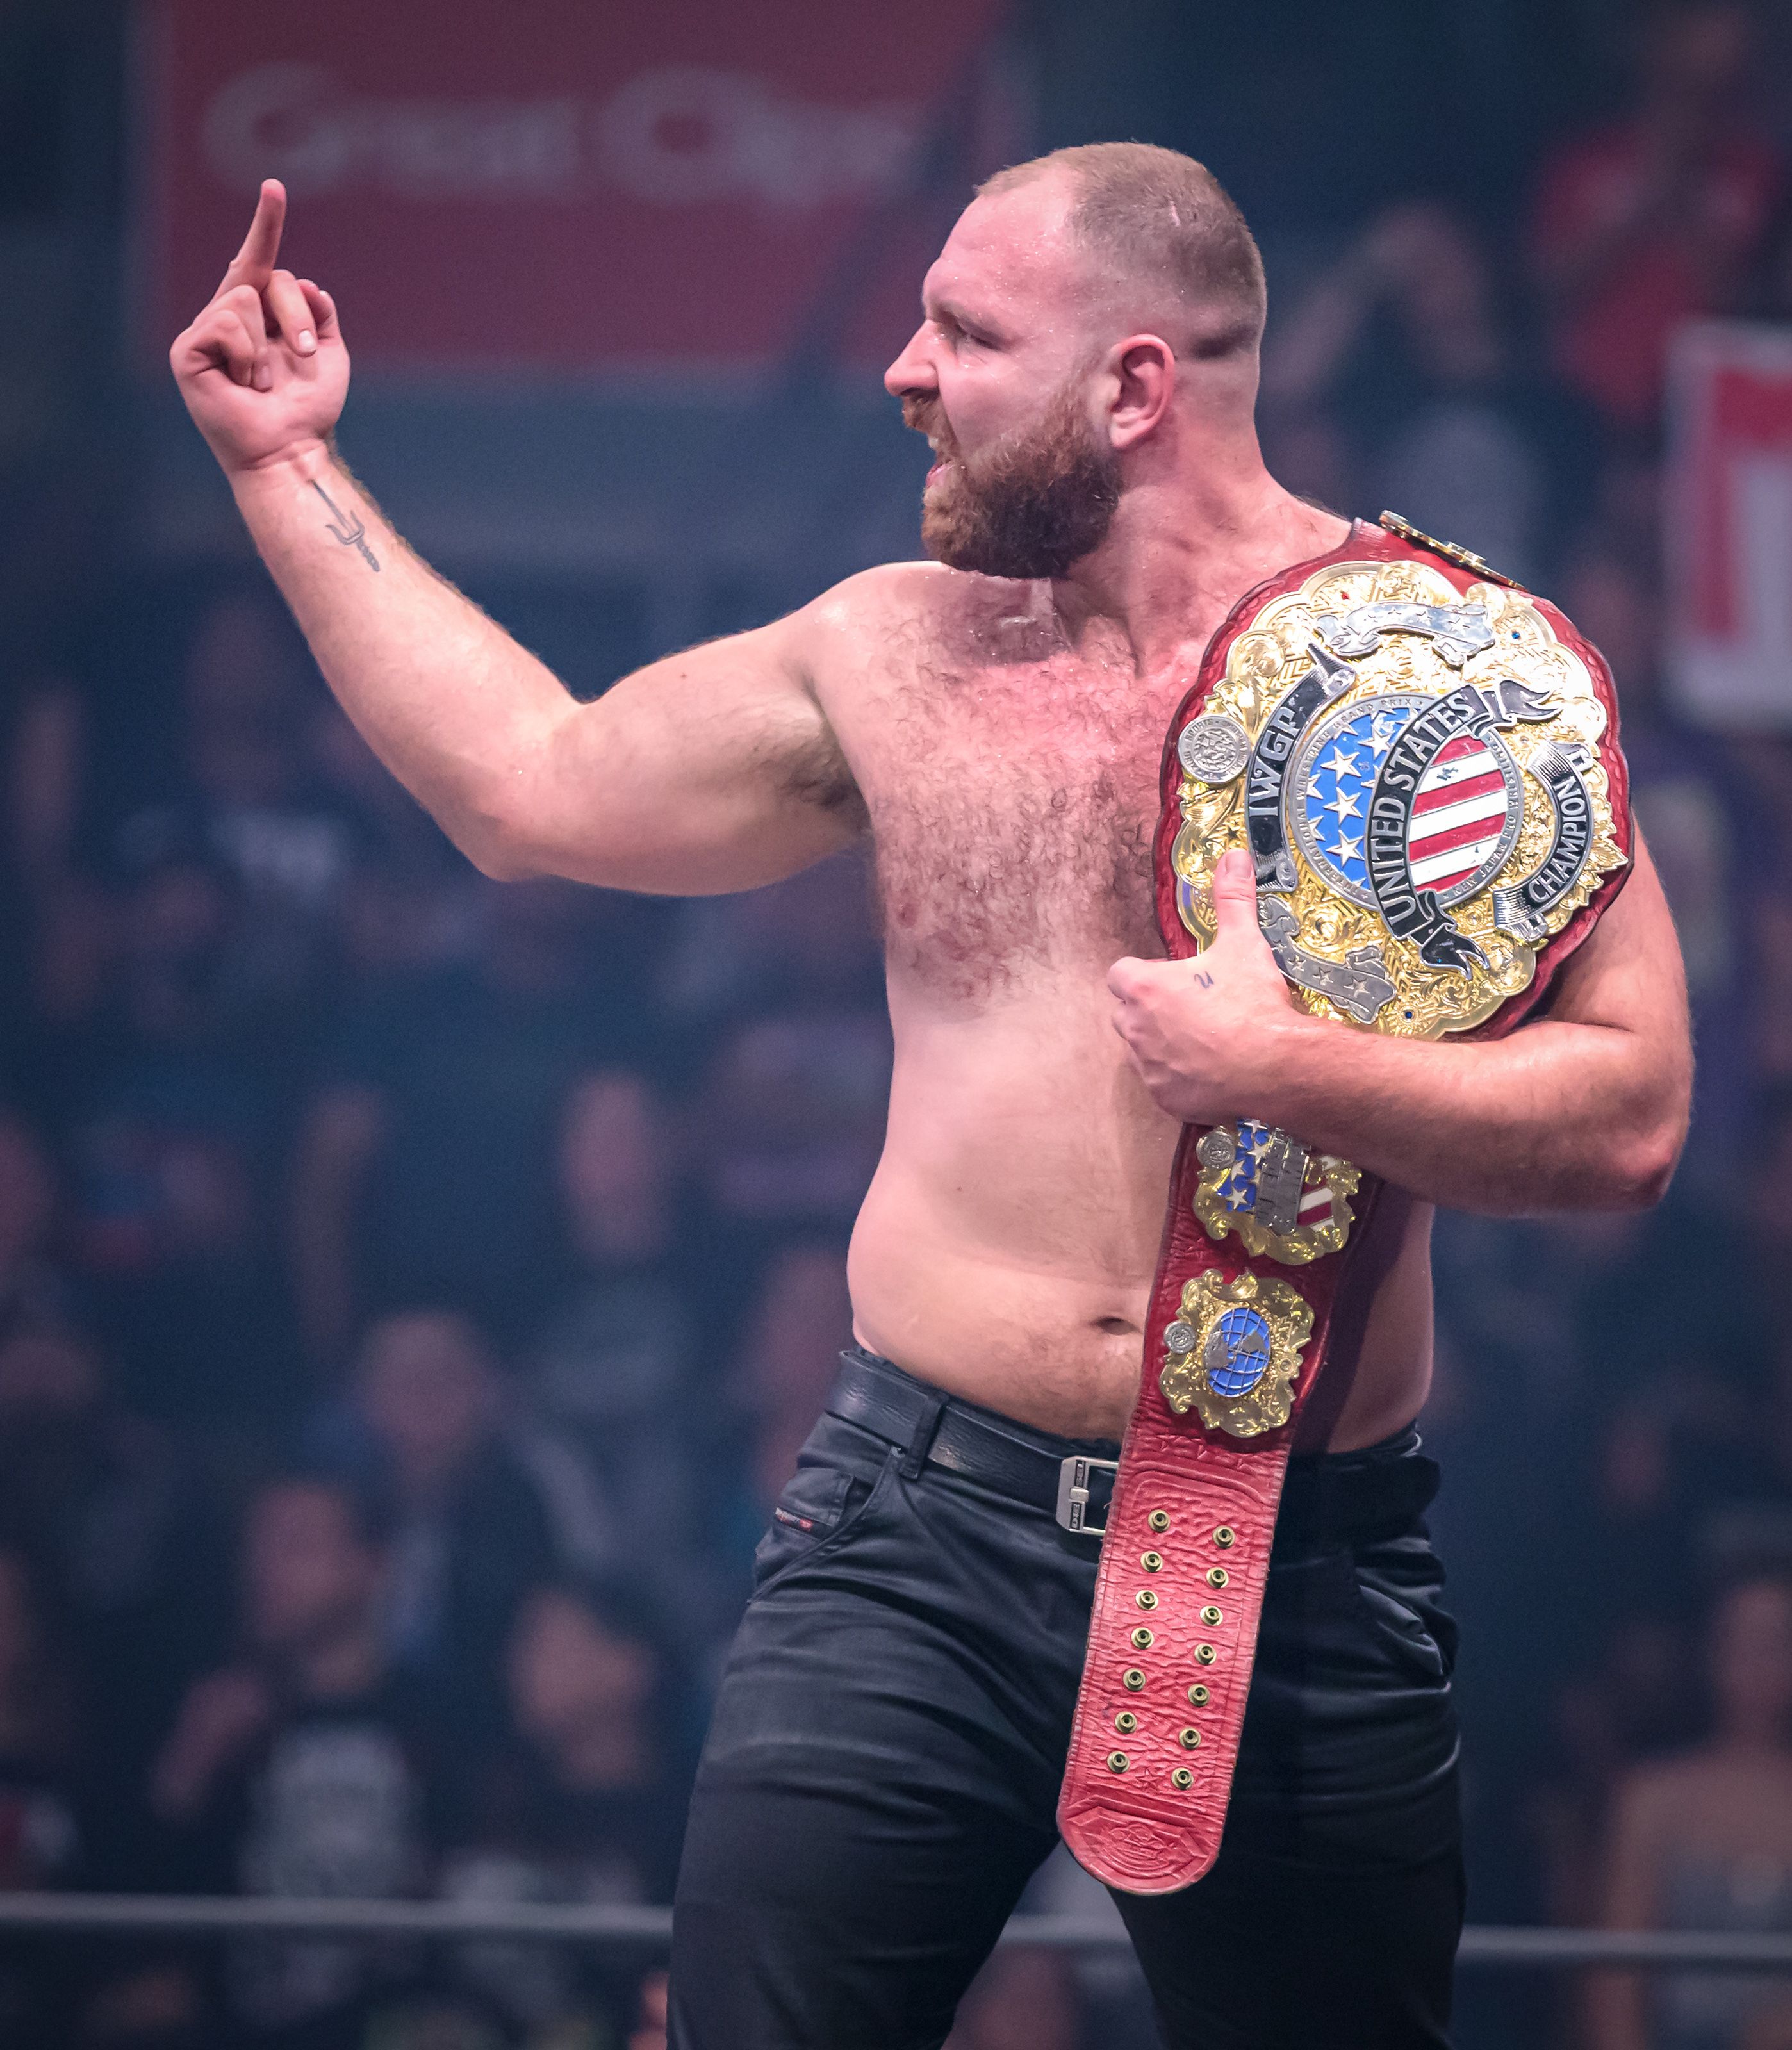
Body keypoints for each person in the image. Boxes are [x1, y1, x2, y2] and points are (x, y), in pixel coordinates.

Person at [170, 142, 1691, 2049]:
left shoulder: (1443, 675)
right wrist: (282, 464)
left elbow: (1630, 1116)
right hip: (911, 1535)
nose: (901, 370)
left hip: (1285, 1555)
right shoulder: (893, 649)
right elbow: (529, 786)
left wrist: (1289, 1069)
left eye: (964, 332)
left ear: (1131, 385)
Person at [1588, 1574, 1792, 2050]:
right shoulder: (1652, 1797)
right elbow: (1615, 1981)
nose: (1758, 1666)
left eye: (1777, 1644)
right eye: (1742, 1644)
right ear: (1711, 1653)